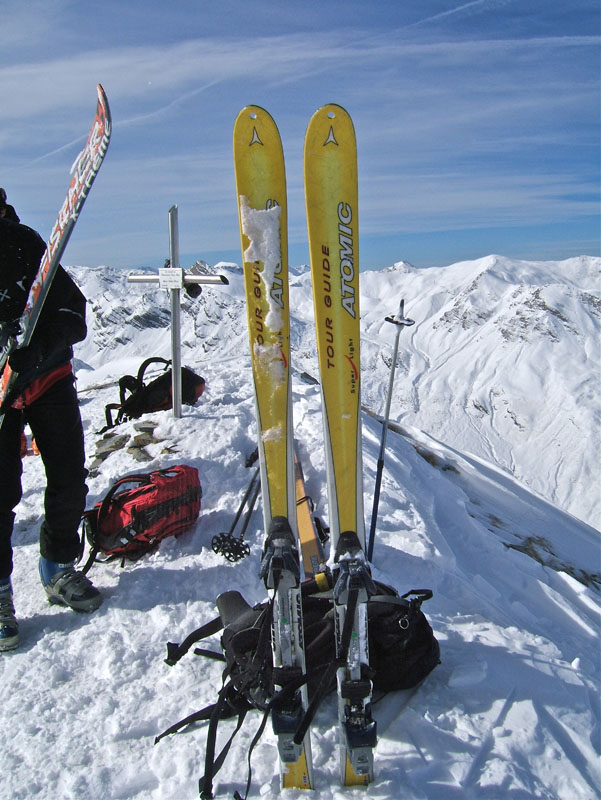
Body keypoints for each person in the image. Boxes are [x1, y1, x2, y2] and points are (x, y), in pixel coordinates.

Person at [0, 196, 102, 652]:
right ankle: (1, 596)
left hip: (49, 379)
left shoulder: (27, 246)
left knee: (68, 478)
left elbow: (72, 312)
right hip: (0, 392)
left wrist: (37, 349)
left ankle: (57, 568)